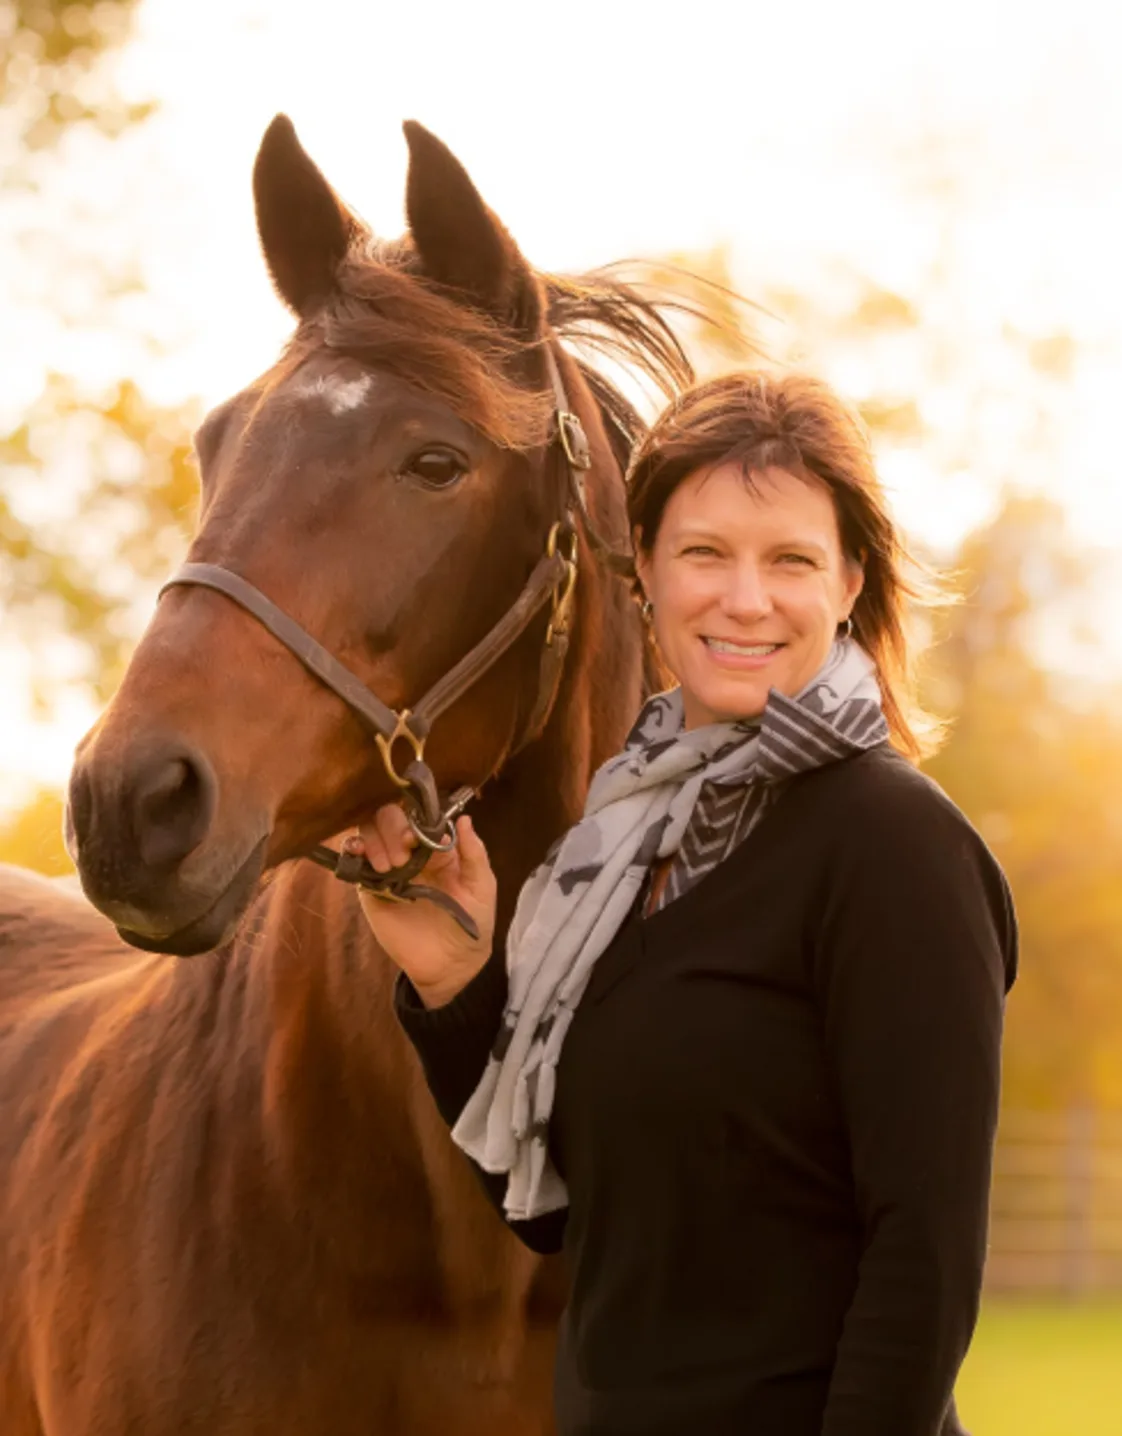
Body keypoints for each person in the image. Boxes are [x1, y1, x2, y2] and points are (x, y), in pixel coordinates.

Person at [355, 371, 1017, 1436]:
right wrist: (456, 981)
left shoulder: (896, 845)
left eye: (791, 559)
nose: (745, 598)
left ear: (850, 580)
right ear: (645, 571)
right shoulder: (620, 847)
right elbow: (573, 1215)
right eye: (705, 552)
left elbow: (924, 1256)